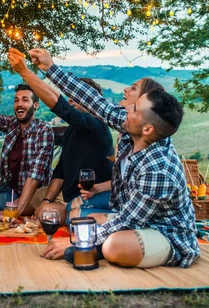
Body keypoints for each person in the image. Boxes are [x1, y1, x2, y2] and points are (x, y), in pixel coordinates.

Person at [29, 48, 200, 269]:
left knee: (113, 246)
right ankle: (92, 245)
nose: (127, 110)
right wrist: (49, 67)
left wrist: (76, 242)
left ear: (148, 128)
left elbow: (130, 221)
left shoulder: (159, 169)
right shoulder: (135, 127)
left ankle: (91, 249)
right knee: (80, 220)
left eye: (135, 109)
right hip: (133, 219)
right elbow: (94, 101)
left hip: (165, 233)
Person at [7, 48, 113, 224]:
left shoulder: (97, 126)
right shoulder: (73, 129)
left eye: (77, 98)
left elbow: (62, 107)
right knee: (14, 207)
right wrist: (47, 199)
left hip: (88, 197)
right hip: (63, 192)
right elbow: (61, 170)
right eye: (70, 96)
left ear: (93, 101)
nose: (71, 100)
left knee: (45, 215)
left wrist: (25, 71)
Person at [67, 76, 165, 221]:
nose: (126, 89)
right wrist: (97, 188)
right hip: (123, 201)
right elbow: (124, 180)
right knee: (71, 209)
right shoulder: (126, 131)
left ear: (145, 101)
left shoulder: (153, 153)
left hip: (139, 212)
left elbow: (136, 213)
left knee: (75, 217)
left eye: (133, 88)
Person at [0, 67, 54, 215]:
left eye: (25, 100)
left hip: (32, 196)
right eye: (16, 100)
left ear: (36, 105)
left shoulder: (43, 130)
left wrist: (13, 211)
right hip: (7, 192)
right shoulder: (12, 124)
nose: (19, 104)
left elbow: (34, 176)